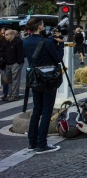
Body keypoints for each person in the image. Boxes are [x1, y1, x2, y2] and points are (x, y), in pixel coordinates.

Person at [22, 17, 64, 154]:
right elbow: (57, 58)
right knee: (47, 110)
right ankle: (42, 143)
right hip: (48, 78)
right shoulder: (47, 42)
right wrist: (61, 44)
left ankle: (32, 142)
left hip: (34, 77)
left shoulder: (26, 41)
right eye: (43, 25)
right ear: (40, 26)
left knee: (37, 110)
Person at [2, 30, 24, 101]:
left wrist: (18, 62)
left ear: (12, 34)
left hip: (15, 63)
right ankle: (10, 94)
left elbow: (21, 53)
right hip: (8, 63)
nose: (5, 36)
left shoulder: (18, 42)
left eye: (7, 35)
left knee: (15, 79)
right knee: (9, 80)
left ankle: (14, 95)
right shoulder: (6, 43)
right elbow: (2, 51)